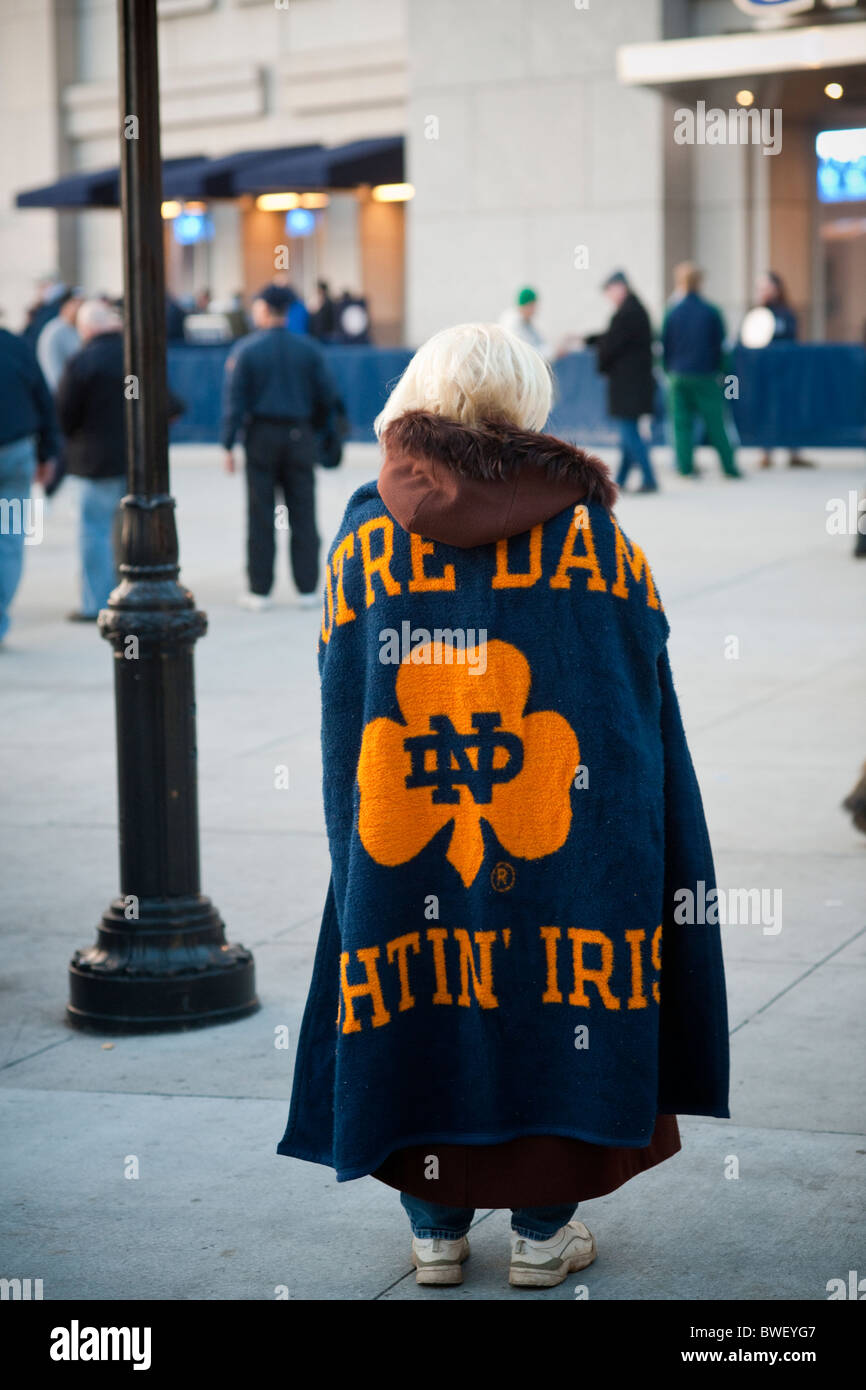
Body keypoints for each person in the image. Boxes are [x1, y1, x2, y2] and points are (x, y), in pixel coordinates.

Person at [276, 322, 730, 1289]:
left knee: (422, 996)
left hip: (407, 840)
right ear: (528, 408)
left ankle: (436, 1229)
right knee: (556, 997)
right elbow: (639, 699)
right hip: (562, 841)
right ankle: (540, 1231)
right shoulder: (596, 541)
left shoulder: (364, 541)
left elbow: (339, 693)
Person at [221, 283, 338, 609]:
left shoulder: (246, 350)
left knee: (261, 514)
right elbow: (326, 397)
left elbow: (235, 400)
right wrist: (317, 434)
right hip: (299, 436)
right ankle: (307, 589)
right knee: (303, 511)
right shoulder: (308, 349)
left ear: (262, 309)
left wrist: (228, 444)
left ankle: (260, 591)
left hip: (261, 437)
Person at [56, 300, 127, 622]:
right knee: (129, 530)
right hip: (134, 461)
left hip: (93, 460)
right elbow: (169, 404)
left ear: (87, 328)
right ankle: (129, 594)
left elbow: (64, 414)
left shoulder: (83, 361)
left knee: (94, 532)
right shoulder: (137, 357)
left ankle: (97, 603)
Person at [0, 326, 58, 642]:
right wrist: (48, 453)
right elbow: (43, 397)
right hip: (14, 453)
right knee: (8, 537)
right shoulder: (15, 346)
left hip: (15, 454)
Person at [662, 263, 741, 479]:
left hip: (678, 376)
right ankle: (729, 468)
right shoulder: (711, 312)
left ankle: (685, 468)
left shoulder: (672, 313)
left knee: (681, 425)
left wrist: (668, 371)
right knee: (716, 424)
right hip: (706, 376)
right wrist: (723, 372)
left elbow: (664, 346)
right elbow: (723, 347)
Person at [585, 271, 658, 493]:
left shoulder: (628, 313)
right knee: (628, 432)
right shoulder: (633, 310)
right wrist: (590, 339)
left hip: (629, 386)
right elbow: (613, 337)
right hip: (634, 385)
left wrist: (595, 346)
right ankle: (621, 481)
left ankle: (649, 478)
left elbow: (612, 344)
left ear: (620, 287)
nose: (608, 296)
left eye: (609, 290)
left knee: (629, 433)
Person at [746, 271, 813, 470]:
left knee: (789, 410)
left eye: (765, 287)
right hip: (763, 373)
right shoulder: (756, 314)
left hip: (786, 373)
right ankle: (765, 451)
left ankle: (794, 451)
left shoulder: (786, 313)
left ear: (776, 289)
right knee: (765, 410)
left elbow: (792, 338)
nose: (761, 292)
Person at [36, 287, 83, 391]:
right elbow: (52, 370)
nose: (81, 307)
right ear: (66, 305)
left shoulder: (78, 328)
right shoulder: (54, 332)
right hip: (62, 393)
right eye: (76, 303)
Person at [498, 286, 551, 359]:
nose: (535, 310)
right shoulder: (512, 324)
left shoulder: (529, 322)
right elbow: (527, 352)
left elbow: (542, 344)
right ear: (526, 305)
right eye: (533, 306)